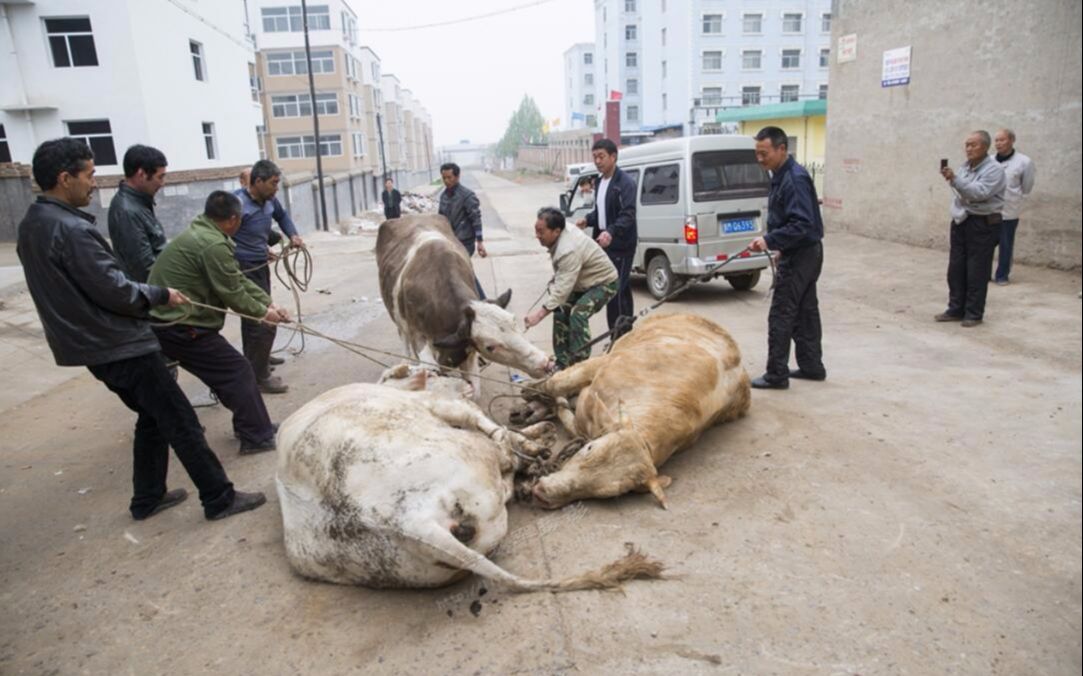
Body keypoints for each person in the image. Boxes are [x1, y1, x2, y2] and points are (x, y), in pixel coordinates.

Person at [15, 138, 265, 522]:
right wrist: (160, 293)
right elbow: (116, 288)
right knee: (180, 419)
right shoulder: (72, 230)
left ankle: (147, 497)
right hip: (118, 342)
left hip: (85, 344)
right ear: (65, 179)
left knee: (153, 416)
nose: (94, 183)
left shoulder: (34, 223)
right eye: (89, 175)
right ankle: (219, 498)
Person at [149, 191, 291, 455]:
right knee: (237, 371)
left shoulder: (206, 233)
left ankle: (253, 425)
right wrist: (263, 313)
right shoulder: (212, 244)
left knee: (234, 371)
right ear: (234, 219)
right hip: (179, 325)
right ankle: (255, 437)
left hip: (176, 322)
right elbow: (233, 293)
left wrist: (268, 303)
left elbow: (236, 278)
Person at [748, 126, 826, 390]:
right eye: (757, 153)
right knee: (805, 312)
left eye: (764, 153)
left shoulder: (793, 178)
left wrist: (769, 241)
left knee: (781, 313)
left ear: (782, 149)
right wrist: (782, 246)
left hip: (803, 254)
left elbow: (802, 224)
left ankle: (776, 374)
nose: (760, 159)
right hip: (801, 251)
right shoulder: (780, 175)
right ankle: (812, 366)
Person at [234, 160, 303, 393]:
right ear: (258, 181)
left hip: (260, 265)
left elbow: (283, 217)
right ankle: (259, 376)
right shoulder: (237, 204)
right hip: (242, 268)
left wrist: (292, 235)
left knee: (255, 320)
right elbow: (222, 234)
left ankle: (257, 363)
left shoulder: (270, 201)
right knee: (263, 320)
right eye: (273, 184)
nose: (276, 189)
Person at [525, 207, 617, 369]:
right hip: (581, 282)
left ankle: (580, 365)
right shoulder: (561, 234)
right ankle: (562, 362)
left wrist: (538, 316)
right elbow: (563, 285)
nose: (537, 236)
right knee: (560, 311)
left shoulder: (568, 250)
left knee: (577, 314)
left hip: (604, 282)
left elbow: (561, 291)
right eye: (536, 231)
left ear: (556, 231)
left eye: (541, 232)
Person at [936, 130, 1007, 327]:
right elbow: (961, 193)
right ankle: (955, 309)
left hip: (983, 224)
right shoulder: (965, 167)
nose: (968, 149)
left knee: (977, 270)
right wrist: (956, 180)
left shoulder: (994, 169)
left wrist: (955, 179)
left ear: (985, 147)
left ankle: (974, 313)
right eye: (967, 145)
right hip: (962, 221)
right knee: (956, 268)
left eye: (973, 145)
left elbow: (978, 193)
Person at [576, 139, 637, 338]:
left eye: (601, 156)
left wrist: (611, 231)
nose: (598, 161)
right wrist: (587, 220)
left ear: (613, 156)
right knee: (621, 291)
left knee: (615, 291)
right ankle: (626, 335)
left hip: (621, 245)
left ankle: (617, 336)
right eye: (595, 157)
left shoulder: (625, 183)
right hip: (604, 243)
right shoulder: (600, 182)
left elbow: (627, 214)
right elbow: (601, 212)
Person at [107, 144, 168, 283]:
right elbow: (145, 269)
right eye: (160, 177)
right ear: (141, 174)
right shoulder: (127, 211)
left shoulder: (138, 203)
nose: (163, 183)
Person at [992, 128, 1036, 285]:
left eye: (1002, 140)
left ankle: (1002, 275)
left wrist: (1015, 198)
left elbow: (1027, 186)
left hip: (1009, 210)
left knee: (1006, 244)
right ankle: (983, 274)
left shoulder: (1024, 162)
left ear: (1012, 140)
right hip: (989, 210)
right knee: (986, 244)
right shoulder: (989, 161)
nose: (998, 143)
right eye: (996, 140)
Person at [438, 162, 487, 298]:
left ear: (457, 177)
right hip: (449, 241)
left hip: (465, 242)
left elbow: (476, 218)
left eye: (449, 177)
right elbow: (441, 219)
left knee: (461, 269)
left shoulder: (467, 195)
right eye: (444, 178)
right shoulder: (443, 197)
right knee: (455, 271)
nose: (446, 181)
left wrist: (480, 242)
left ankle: (482, 300)